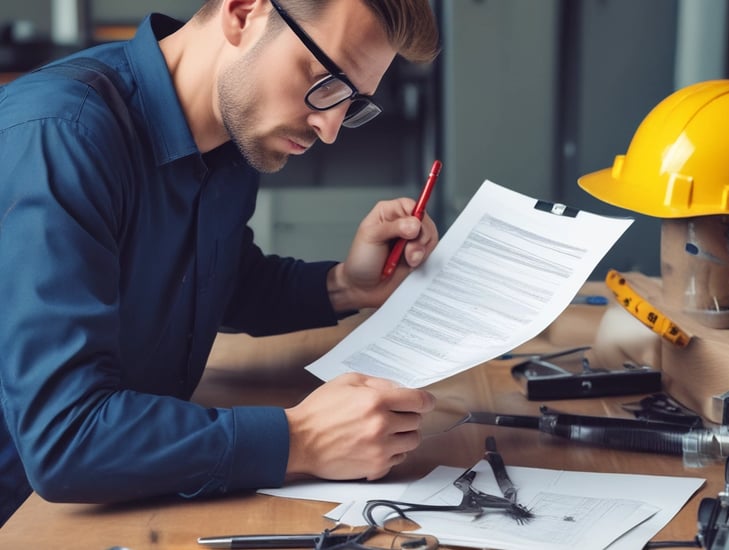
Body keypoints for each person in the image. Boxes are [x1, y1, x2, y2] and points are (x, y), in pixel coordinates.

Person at [0, 0, 440, 526]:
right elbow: (65, 439)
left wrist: (345, 285)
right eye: (325, 81)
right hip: (25, 514)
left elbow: (216, 282)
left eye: (353, 103)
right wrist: (301, 440)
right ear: (242, 13)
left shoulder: (234, 133)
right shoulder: (62, 135)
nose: (329, 128)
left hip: (127, 492)